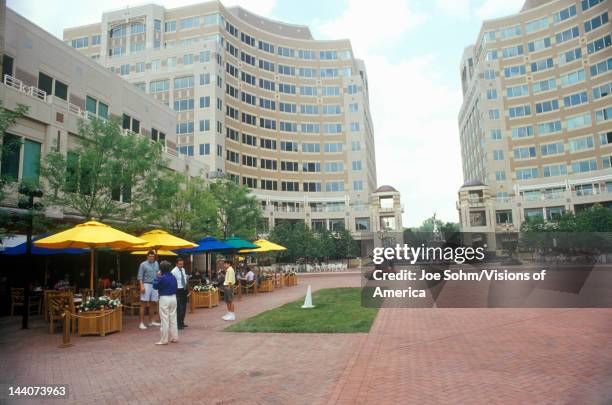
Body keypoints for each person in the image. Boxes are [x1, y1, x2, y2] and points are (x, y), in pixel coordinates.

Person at [153, 261, 178, 345]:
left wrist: (157, 277)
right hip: (173, 298)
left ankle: (164, 340)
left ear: (161, 269)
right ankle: (174, 337)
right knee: (173, 319)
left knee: (164, 320)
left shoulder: (161, 277)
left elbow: (155, 286)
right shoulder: (173, 277)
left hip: (164, 298)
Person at [137, 251, 161, 330]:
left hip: (155, 284)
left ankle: (151, 321)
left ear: (154, 257)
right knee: (143, 304)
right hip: (146, 284)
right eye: (150, 256)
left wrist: (159, 275)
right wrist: (141, 286)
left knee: (153, 303)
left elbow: (158, 273)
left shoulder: (156, 263)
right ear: (147, 257)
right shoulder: (143, 264)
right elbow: (140, 276)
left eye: (152, 256)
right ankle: (141, 323)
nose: (151, 257)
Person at [171, 257, 189, 329]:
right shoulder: (173, 271)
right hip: (178, 290)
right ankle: (178, 324)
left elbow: (183, 278)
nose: (181, 265)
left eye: (182, 264)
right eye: (180, 264)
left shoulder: (183, 269)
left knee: (184, 307)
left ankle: (182, 322)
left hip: (184, 289)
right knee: (179, 308)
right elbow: (172, 281)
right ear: (176, 264)